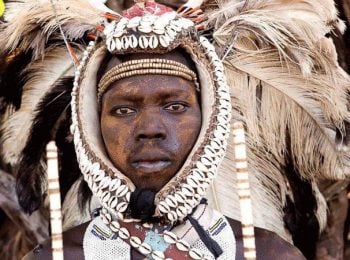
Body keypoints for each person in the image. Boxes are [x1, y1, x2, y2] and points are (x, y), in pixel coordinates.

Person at [0, 0, 349, 259]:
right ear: (91, 126)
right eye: (123, 109)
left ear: (211, 119)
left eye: (175, 106)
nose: (150, 129)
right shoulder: (56, 256)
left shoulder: (270, 254)